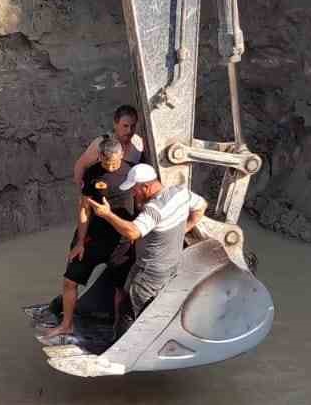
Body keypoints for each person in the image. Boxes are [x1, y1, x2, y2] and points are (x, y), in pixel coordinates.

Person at [41, 135, 133, 341]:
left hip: (121, 241)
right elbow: (84, 209)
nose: (111, 167)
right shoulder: (92, 173)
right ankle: (67, 325)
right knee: (69, 279)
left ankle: (119, 333)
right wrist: (80, 241)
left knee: (120, 288)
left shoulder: (132, 172)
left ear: (122, 156)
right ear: (99, 156)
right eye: (107, 163)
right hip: (94, 236)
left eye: (116, 162)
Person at [89, 163, 207, 319]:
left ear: (146, 187)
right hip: (167, 265)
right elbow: (201, 206)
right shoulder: (180, 193)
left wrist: (107, 214)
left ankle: (126, 343)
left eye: (134, 189)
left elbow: (132, 232)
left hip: (150, 272)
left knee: (130, 313)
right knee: (125, 294)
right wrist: (184, 229)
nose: (132, 193)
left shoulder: (154, 210)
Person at [72, 104, 143, 217]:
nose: (129, 130)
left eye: (133, 126)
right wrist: (83, 196)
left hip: (127, 201)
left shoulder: (138, 143)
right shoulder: (101, 144)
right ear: (115, 124)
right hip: (103, 198)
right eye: (125, 126)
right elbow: (80, 165)